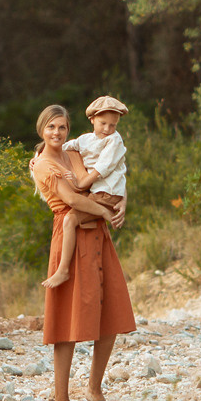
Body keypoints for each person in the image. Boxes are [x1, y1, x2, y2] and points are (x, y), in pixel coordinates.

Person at [29, 104, 137, 401]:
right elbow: (74, 199)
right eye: (51, 128)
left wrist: (121, 203)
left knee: (111, 311)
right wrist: (105, 210)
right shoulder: (44, 164)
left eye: (62, 127)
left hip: (98, 237)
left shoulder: (74, 153)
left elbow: (111, 175)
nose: (57, 133)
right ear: (42, 129)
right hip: (71, 239)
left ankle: (94, 390)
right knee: (66, 320)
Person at [41, 96, 129, 289]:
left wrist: (82, 183)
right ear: (92, 120)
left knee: (70, 220)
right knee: (72, 220)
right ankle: (65, 269)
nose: (107, 129)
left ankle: (63, 270)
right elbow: (64, 147)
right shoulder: (85, 140)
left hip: (106, 193)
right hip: (99, 192)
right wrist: (38, 155)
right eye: (103, 123)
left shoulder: (114, 140)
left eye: (112, 125)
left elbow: (104, 168)